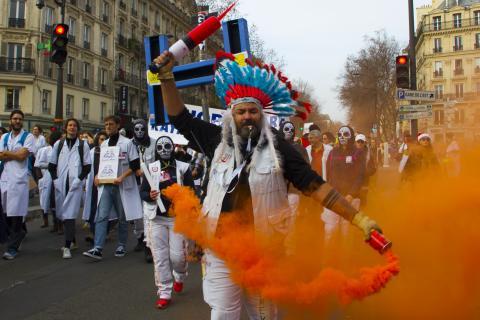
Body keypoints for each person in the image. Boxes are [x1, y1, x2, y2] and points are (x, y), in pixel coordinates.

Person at [152, 51, 383, 320]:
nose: (247, 117)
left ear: (261, 115)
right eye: (241, 112)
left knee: (264, 316)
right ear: (232, 114)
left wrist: (360, 220)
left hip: (265, 253)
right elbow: (180, 119)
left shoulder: (280, 148)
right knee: (223, 314)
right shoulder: (217, 140)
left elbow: (316, 187)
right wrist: (167, 78)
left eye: (253, 111)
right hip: (221, 251)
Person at [140, 135, 195, 309]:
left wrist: (183, 198)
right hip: (156, 219)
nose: (164, 150)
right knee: (160, 257)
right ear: (156, 150)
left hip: (176, 219)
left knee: (178, 256)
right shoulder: (151, 168)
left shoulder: (183, 167)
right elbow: (143, 192)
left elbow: (192, 191)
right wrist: (149, 196)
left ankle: (179, 275)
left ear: (173, 148)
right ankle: (164, 291)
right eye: (161, 147)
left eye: (167, 146)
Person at [83, 115, 143, 260]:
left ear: (118, 125)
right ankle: (98, 248)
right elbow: (102, 165)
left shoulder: (128, 143)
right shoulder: (104, 145)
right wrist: (97, 176)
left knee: (123, 217)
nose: (108, 127)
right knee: (101, 216)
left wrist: (122, 177)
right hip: (106, 185)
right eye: (106, 125)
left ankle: (121, 245)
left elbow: (135, 165)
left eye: (111, 124)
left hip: (122, 185)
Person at [48, 118, 91, 259]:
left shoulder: (82, 145)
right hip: (61, 184)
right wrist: (55, 180)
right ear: (66, 128)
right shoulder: (58, 144)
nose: (72, 128)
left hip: (75, 184)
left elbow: (87, 166)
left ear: (77, 129)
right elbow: (51, 165)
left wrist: (79, 179)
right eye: (70, 125)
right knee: (63, 214)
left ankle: (66, 246)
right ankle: (72, 240)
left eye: (74, 126)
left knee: (70, 215)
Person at [0, 110, 36, 260]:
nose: (17, 121)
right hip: (5, 178)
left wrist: (9, 154)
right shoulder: (4, 136)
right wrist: (14, 154)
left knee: (16, 213)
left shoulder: (28, 137)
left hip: (20, 180)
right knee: (6, 212)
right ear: (10, 120)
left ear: (22, 121)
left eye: (20, 119)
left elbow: (23, 156)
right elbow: (1, 155)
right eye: (14, 118)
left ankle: (12, 247)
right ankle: (19, 234)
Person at [322, 126, 366, 243]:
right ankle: (330, 257)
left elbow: (360, 176)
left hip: (351, 198)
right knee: (331, 229)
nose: (342, 137)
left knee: (347, 231)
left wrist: (351, 194)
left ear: (351, 136)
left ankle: (346, 259)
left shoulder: (358, 153)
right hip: (334, 196)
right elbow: (328, 173)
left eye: (345, 134)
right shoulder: (332, 152)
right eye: (340, 134)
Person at [131, 118, 156, 262]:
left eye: (142, 129)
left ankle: (149, 246)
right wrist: (134, 170)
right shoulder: (129, 144)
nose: (139, 132)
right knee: (137, 215)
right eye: (137, 129)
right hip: (133, 184)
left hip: (150, 184)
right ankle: (140, 237)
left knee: (148, 215)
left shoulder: (154, 144)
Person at [82, 131, 108, 244]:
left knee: (104, 210)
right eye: (101, 139)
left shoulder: (111, 152)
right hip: (94, 185)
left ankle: (103, 233)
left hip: (107, 184)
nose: (103, 141)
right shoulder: (92, 152)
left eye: (105, 139)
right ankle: (94, 233)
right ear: (97, 140)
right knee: (93, 209)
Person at [34, 131, 62, 228]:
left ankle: (60, 223)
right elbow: (39, 164)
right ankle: (52, 222)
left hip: (60, 177)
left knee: (59, 200)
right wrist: (51, 165)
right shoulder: (44, 150)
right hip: (48, 178)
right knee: (48, 200)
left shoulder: (64, 149)